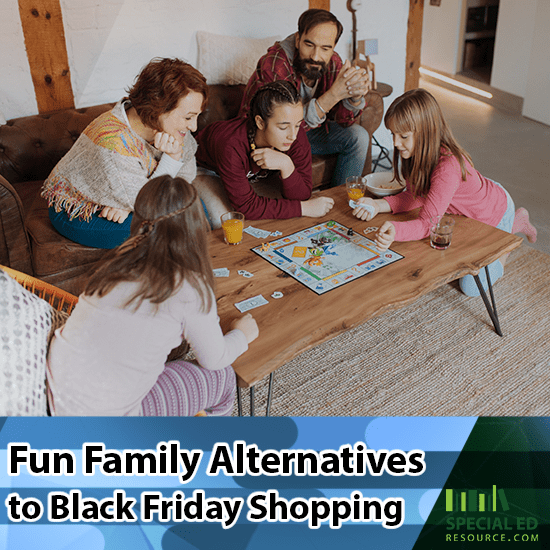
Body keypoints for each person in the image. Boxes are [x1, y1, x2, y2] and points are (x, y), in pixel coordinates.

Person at [46, 175, 259, 416]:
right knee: (222, 377)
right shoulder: (189, 286)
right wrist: (242, 334)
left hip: (60, 400)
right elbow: (214, 359)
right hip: (107, 426)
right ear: (196, 226)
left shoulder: (120, 258)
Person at [352, 88, 537, 297]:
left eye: (402, 136)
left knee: (470, 288)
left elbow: (427, 225)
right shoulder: (417, 153)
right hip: (467, 211)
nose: (395, 143)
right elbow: (415, 196)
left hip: (494, 213)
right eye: (393, 134)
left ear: (425, 132)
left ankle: (510, 232)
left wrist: (396, 231)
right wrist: (378, 205)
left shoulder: (447, 167)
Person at [42, 58, 208, 249]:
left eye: (197, 116)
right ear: (158, 108)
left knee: (196, 209)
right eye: (188, 117)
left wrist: (128, 205)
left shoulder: (175, 128)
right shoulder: (113, 142)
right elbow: (149, 204)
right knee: (172, 224)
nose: (194, 126)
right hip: (79, 210)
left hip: (134, 196)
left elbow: (185, 178)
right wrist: (172, 158)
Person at [239, 9, 370, 187]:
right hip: (269, 136)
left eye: (325, 48)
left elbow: (342, 121)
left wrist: (354, 97)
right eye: (309, 44)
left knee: (358, 136)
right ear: (298, 39)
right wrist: (333, 95)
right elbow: (282, 124)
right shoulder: (275, 63)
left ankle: (341, 202)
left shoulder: (332, 62)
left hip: (305, 133)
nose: (316, 56)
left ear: (333, 47)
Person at [195, 80, 334, 222]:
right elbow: (247, 208)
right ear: (260, 122)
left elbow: (302, 194)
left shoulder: (295, 135)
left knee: (283, 213)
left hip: (253, 177)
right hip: (206, 169)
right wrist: (304, 208)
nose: (292, 135)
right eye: (283, 127)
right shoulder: (230, 145)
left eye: (298, 125)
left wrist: (286, 165)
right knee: (228, 220)